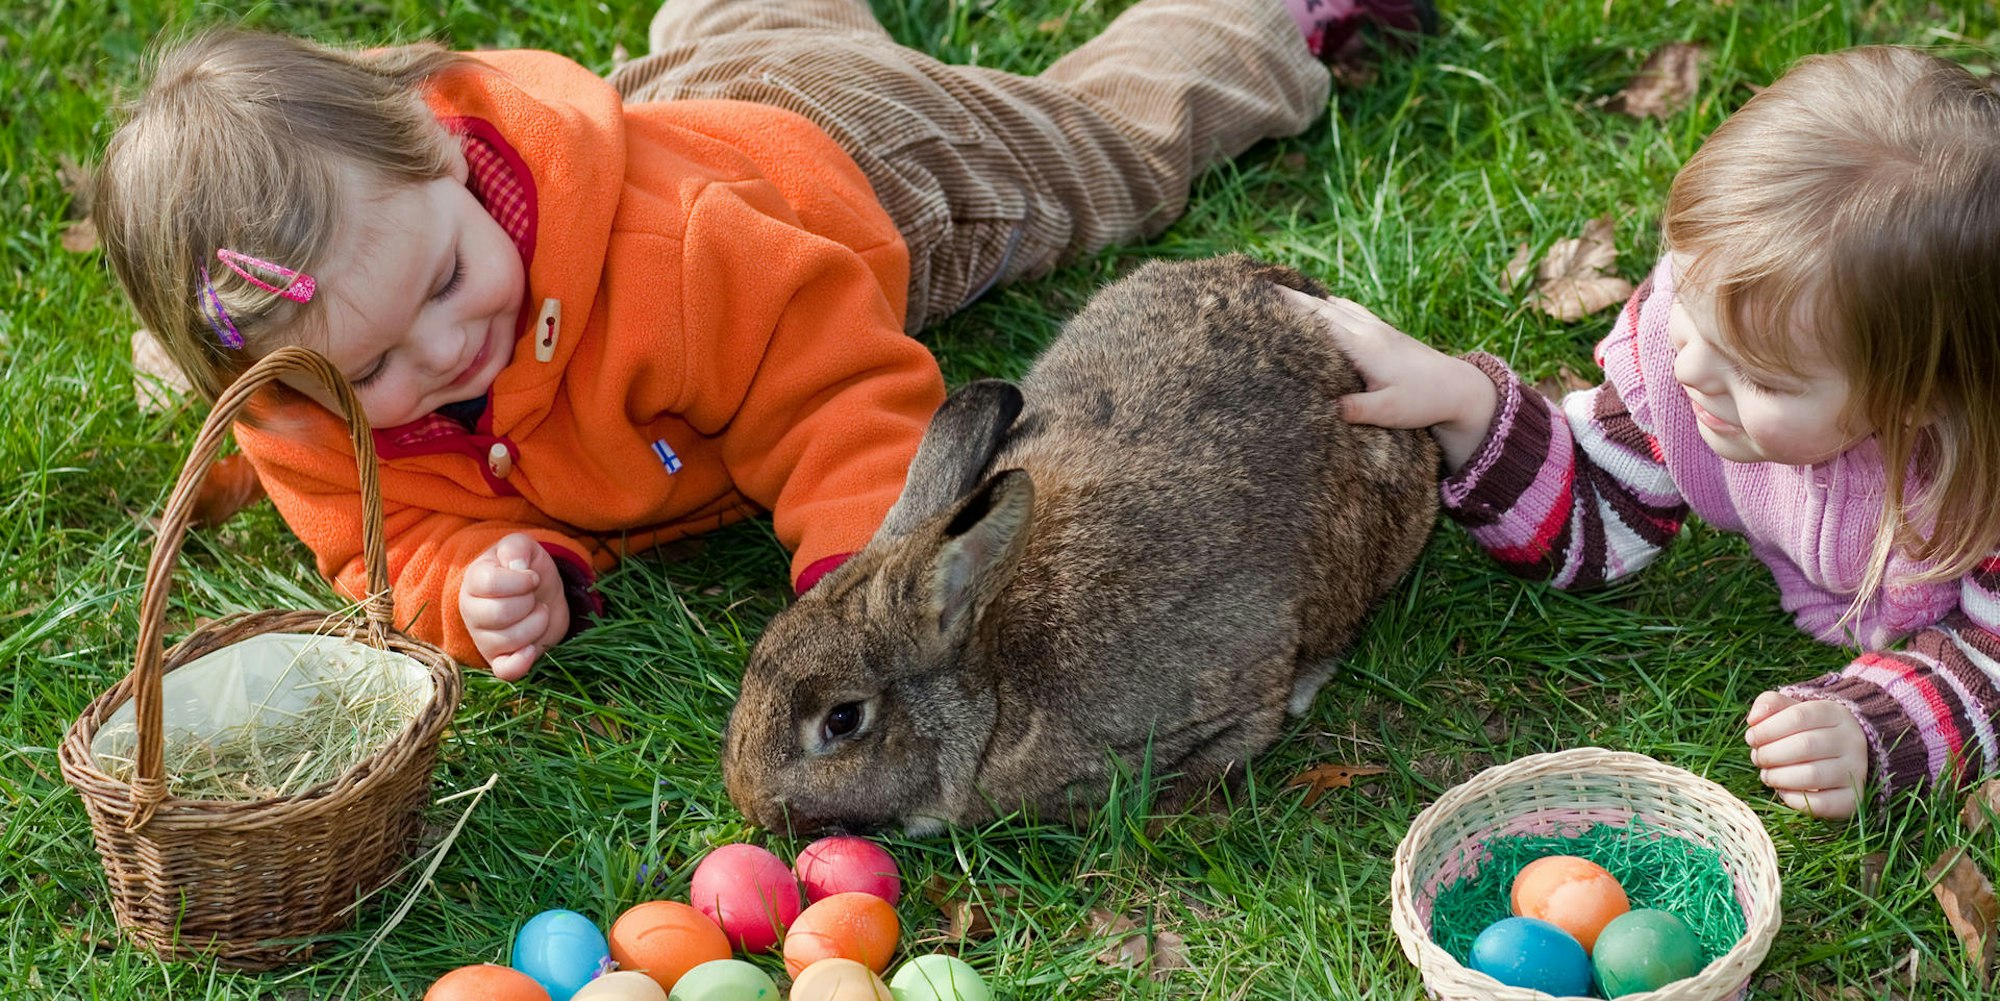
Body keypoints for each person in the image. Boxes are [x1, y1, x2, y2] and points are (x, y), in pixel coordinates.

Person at [92, 0, 1436, 680]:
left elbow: (834, 400)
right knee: (736, 35)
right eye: (374, 367)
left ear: (450, 146)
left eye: (452, 277)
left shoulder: (681, 269)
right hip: (686, 114)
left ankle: (1264, 20)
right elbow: (389, 544)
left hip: (870, 168)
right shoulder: (300, 404)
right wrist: (477, 582)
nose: (444, 352)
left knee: (1116, 146)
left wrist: (864, 573)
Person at [1287, 45, 2000, 819]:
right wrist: (1464, 403)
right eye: (1690, 302)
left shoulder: (1980, 490)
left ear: (1918, 399)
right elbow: (1600, 511)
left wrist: (1876, 727)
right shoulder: (1685, 346)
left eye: (1763, 378)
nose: (1690, 366)